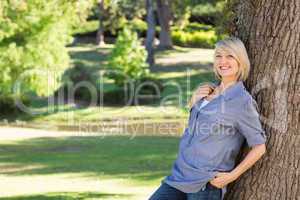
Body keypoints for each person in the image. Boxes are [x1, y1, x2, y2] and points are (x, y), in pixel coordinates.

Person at [149, 37, 267, 200]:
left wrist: (231, 176)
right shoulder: (206, 91)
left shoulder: (242, 101)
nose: (223, 61)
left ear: (240, 61)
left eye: (230, 56)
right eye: (218, 56)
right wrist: (192, 103)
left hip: (205, 184)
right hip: (178, 177)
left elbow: (259, 146)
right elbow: (194, 132)